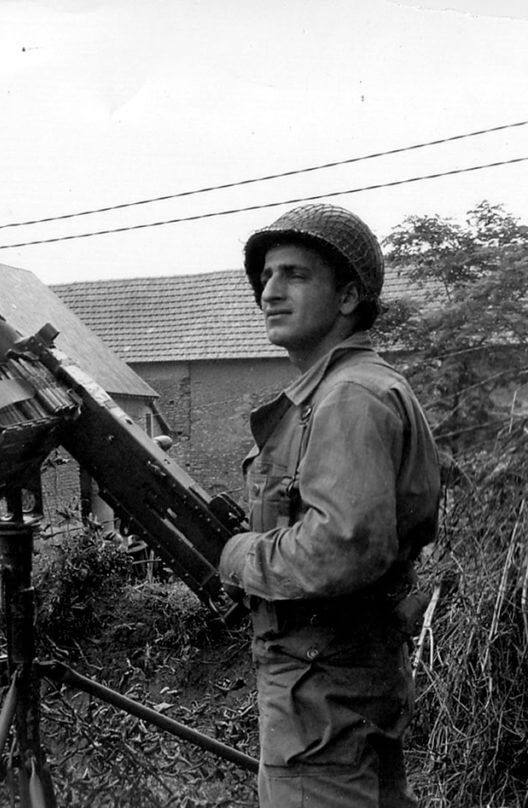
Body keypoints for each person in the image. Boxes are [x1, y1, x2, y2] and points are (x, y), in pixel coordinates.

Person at [218, 204, 441, 807]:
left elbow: (343, 548)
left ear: (347, 296)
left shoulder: (349, 397)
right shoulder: (343, 390)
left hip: (324, 710)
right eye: (265, 276)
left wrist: (239, 556)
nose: (270, 291)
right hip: (331, 695)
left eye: (294, 275)